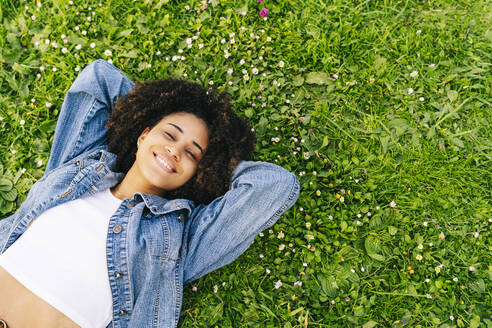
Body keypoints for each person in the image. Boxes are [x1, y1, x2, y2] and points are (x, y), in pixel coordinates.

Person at [0, 59, 300, 328]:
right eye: (169, 134)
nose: (175, 150)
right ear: (143, 134)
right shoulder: (82, 169)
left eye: (193, 154)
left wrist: (218, 164)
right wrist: (139, 112)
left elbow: (274, 186)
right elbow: (99, 79)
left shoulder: (179, 234)